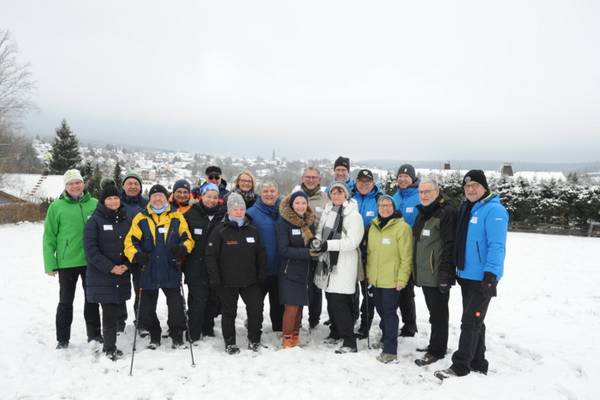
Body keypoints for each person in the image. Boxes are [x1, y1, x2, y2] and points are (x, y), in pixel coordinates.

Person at [435, 170, 508, 380]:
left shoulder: (494, 210)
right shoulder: (468, 208)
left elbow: (497, 246)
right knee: (476, 321)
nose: (470, 189)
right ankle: (478, 362)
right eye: (467, 186)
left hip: (483, 278)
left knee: (469, 321)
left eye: (475, 185)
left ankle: (460, 366)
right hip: (467, 275)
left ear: (485, 187)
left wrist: (491, 275)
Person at [123, 184, 194, 349]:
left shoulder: (176, 217)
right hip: (148, 268)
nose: (157, 199)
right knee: (146, 308)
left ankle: (177, 335)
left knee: (176, 306)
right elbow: (129, 242)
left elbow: (188, 239)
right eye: (154, 196)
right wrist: (136, 255)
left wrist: (183, 248)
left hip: (170, 267)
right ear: (150, 198)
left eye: (161, 196)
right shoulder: (141, 218)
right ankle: (154, 334)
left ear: (166, 198)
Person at [43, 169, 101, 349]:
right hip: (67, 262)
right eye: (71, 183)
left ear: (83, 184)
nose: (75, 186)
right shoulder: (56, 207)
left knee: (92, 300)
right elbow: (49, 237)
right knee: (65, 301)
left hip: (91, 262)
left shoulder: (95, 204)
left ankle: (94, 335)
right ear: (66, 187)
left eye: (78, 182)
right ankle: (62, 339)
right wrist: (50, 264)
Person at [205, 193, 267, 354]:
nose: (239, 212)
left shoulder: (252, 229)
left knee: (256, 309)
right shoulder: (220, 230)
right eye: (235, 209)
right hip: (227, 281)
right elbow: (210, 256)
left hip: (250, 280)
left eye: (241, 209)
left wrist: (261, 273)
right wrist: (215, 277)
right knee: (229, 312)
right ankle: (230, 342)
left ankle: (254, 339)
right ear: (228, 211)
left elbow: (260, 253)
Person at [312, 182, 364, 353]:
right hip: (327, 262)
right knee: (331, 299)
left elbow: (352, 242)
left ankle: (349, 342)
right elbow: (321, 230)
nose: (336, 196)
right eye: (333, 192)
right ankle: (335, 332)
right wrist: (318, 241)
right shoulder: (328, 211)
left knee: (340, 302)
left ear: (346, 195)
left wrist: (327, 245)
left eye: (340, 192)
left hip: (344, 264)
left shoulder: (353, 215)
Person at [83, 184, 132, 360]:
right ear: (103, 201)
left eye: (116, 198)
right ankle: (109, 348)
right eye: (109, 198)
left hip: (122, 273)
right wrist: (111, 267)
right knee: (109, 312)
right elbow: (91, 250)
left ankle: (111, 343)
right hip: (102, 275)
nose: (113, 201)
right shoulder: (94, 221)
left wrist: (127, 264)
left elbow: (132, 245)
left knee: (117, 309)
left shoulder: (126, 220)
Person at [412, 178, 456, 367]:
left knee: (438, 313)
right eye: (421, 192)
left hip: (437, 273)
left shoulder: (446, 213)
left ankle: (437, 350)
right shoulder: (423, 212)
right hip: (425, 273)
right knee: (434, 312)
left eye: (427, 191)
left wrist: (445, 274)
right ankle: (435, 344)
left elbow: (450, 245)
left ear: (437, 191)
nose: (424, 195)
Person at [366, 195, 412, 363]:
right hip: (375, 279)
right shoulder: (373, 227)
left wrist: (402, 279)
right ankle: (386, 337)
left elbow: (406, 257)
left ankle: (390, 350)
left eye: (388, 205)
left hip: (392, 280)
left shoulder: (402, 228)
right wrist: (369, 276)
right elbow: (370, 254)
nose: (384, 208)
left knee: (389, 313)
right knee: (381, 311)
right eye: (381, 205)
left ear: (394, 207)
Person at [182, 183, 226, 342]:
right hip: (195, 267)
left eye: (215, 197)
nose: (212, 200)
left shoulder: (223, 216)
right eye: (209, 196)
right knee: (197, 301)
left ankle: (208, 329)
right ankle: (193, 333)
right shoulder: (191, 214)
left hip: (216, 267)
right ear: (202, 196)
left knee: (213, 300)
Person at [276, 192, 316, 348]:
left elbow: (312, 242)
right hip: (289, 270)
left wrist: (316, 248)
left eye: (303, 203)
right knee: (291, 306)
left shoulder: (309, 222)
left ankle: (295, 336)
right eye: (297, 203)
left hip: (305, 270)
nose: (301, 206)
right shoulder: (283, 223)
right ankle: (287, 338)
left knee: (300, 304)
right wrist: (308, 253)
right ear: (291, 204)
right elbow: (283, 250)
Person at [292, 166, 328, 328]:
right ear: (303, 178)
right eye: (308, 177)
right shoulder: (295, 196)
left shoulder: (326, 199)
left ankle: (314, 319)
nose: (311, 180)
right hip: (298, 248)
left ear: (319, 179)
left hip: (319, 249)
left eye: (314, 177)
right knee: (299, 284)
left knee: (315, 286)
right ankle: (296, 320)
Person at [246, 182, 284, 332]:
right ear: (260, 194)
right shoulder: (251, 213)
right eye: (265, 191)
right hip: (260, 268)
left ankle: (278, 329)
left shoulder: (285, 211)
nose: (269, 194)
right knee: (256, 304)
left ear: (278, 192)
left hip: (280, 267)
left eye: (272, 191)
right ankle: (254, 329)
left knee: (278, 303)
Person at [352, 168, 381, 339]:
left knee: (368, 292)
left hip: (370, 252)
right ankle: (349, 319)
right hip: (351, 250)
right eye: (361, 181)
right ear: (356, 183)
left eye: (367, 182)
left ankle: (365, 326)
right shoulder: (350, 198)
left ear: (372, 183)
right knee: (348, 289)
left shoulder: (379, 199)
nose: (364, 185)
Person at [392, 163, 420, 337]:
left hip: (410, 249)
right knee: (395, 288)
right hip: (392, 250)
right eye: (400, 176)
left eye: (406, 176)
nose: (402, 179)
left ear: (413, 178)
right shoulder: (395, 197)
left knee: (406, 290)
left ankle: (410, 324)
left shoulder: (418, 197)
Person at [119, 171, 147, 332]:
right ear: (123, 186)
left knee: (141, 289)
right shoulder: (116, 202)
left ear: (140, 187)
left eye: (136, 183)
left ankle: (142, 320)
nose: (133, 186)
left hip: (140, 254)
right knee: (120, 288)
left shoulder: (146, 204)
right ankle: (118, 321)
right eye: (129, 183)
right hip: (119, 253)